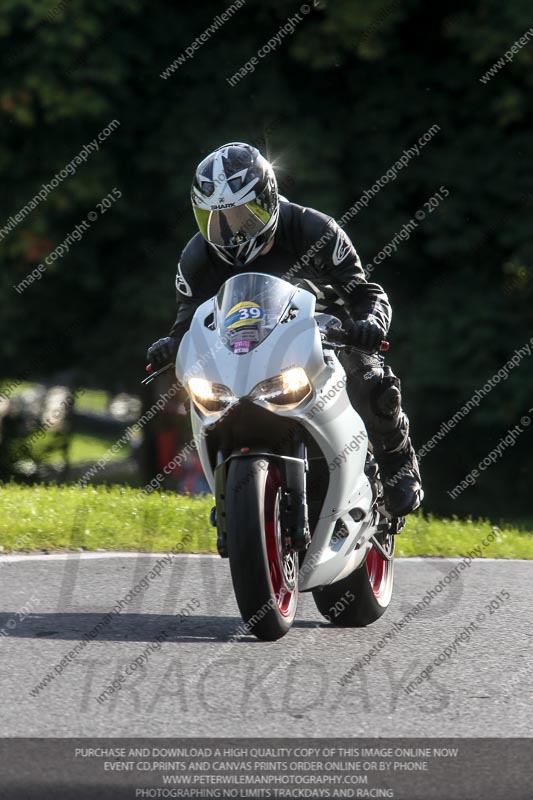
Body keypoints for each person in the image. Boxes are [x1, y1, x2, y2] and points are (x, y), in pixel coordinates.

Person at [147, 142, 422, 516]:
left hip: (326, 336)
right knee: (201, 397)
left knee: (373, 383)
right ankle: (230, 490)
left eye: (243, 215)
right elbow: (188, 319)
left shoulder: (314, 229)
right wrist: (170, 345)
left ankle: (398, 464)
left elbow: (364, 292)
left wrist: (369, 325)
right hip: (246, 349)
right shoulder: (198, 257)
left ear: (269, 199)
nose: (230, 231)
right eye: (214, 218)